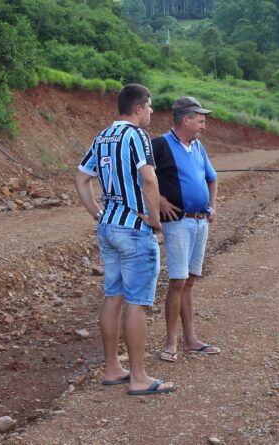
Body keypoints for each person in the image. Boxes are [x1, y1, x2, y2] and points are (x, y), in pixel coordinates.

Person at [73, 83, 175, 396]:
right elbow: (148, 178)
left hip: (108, 227)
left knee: (113, 295)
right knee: (137, 302)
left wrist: (96, 211)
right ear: (137, 108)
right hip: (134, 228)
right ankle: (139, 377)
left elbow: (81, 178)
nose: (152, 112)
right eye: (150, 106)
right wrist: (155, 218)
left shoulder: (101, 137)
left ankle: (112, 368)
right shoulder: (137, 136)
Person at [151, 97, 220, 363]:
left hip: (199, 221)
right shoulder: (160, 145)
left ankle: (190, 340)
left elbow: (212, 179)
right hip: (178, 222)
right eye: (201, 120)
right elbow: (140, 176)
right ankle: (171, 343)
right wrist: (158, 200)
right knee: (178, 281)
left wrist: (211, 206)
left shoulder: (198, 147)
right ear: (186, 119)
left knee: (189, 281)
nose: (204, 125)